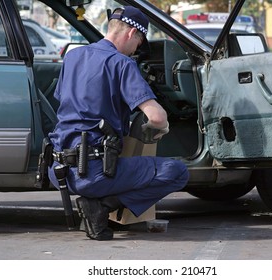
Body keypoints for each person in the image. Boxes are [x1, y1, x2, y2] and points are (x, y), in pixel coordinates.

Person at [48, 6, 189, 241]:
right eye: (139, 43)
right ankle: (101, 207)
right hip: (92, 173)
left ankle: (94, 204)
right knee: (177, 172)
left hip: (59, 171)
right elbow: (156, 117)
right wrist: (161, 127)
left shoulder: (73, 57)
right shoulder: (122, 64)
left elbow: (67, 101)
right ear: (131, 33)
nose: (136, 50)